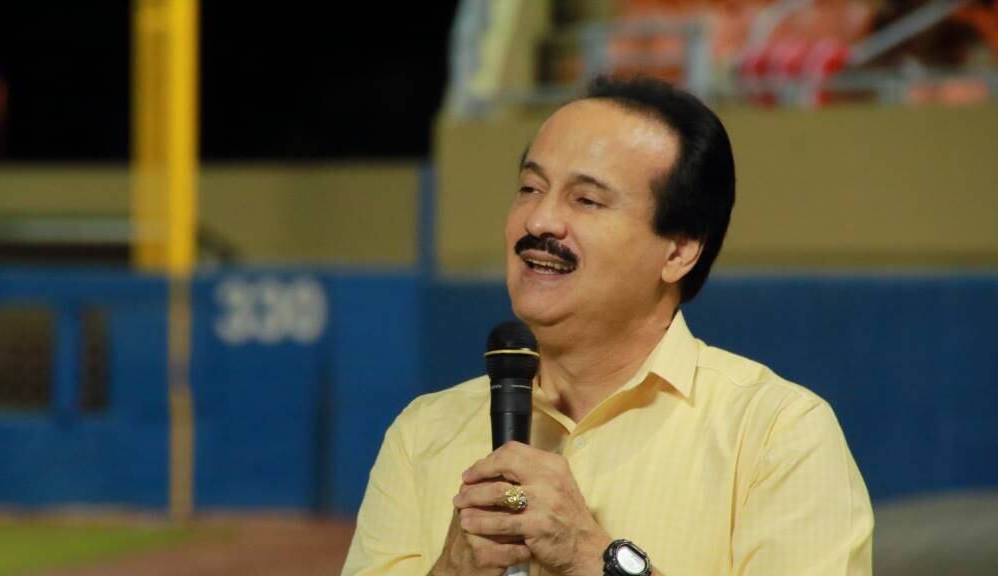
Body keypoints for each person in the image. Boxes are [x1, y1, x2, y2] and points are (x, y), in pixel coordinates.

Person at [342, 75, 873, 576]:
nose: (539, 220)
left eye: (587, 200)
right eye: (530, 188)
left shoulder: (777, 435)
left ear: (679, 250)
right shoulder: (423, 433)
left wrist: (590, 555)